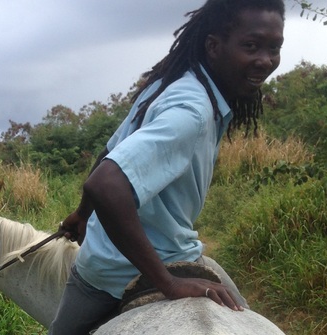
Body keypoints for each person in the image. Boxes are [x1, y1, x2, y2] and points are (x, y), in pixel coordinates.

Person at [50, 0, 285, 334]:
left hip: (148, 257)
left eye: (274, 47)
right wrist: (169, 283)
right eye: (251, 46)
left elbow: (109, 152)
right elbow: (105, 183)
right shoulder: (193, 110)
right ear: (214, 46)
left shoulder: (173, 85)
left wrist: (82, 214)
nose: (265, 60)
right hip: (123, 268)